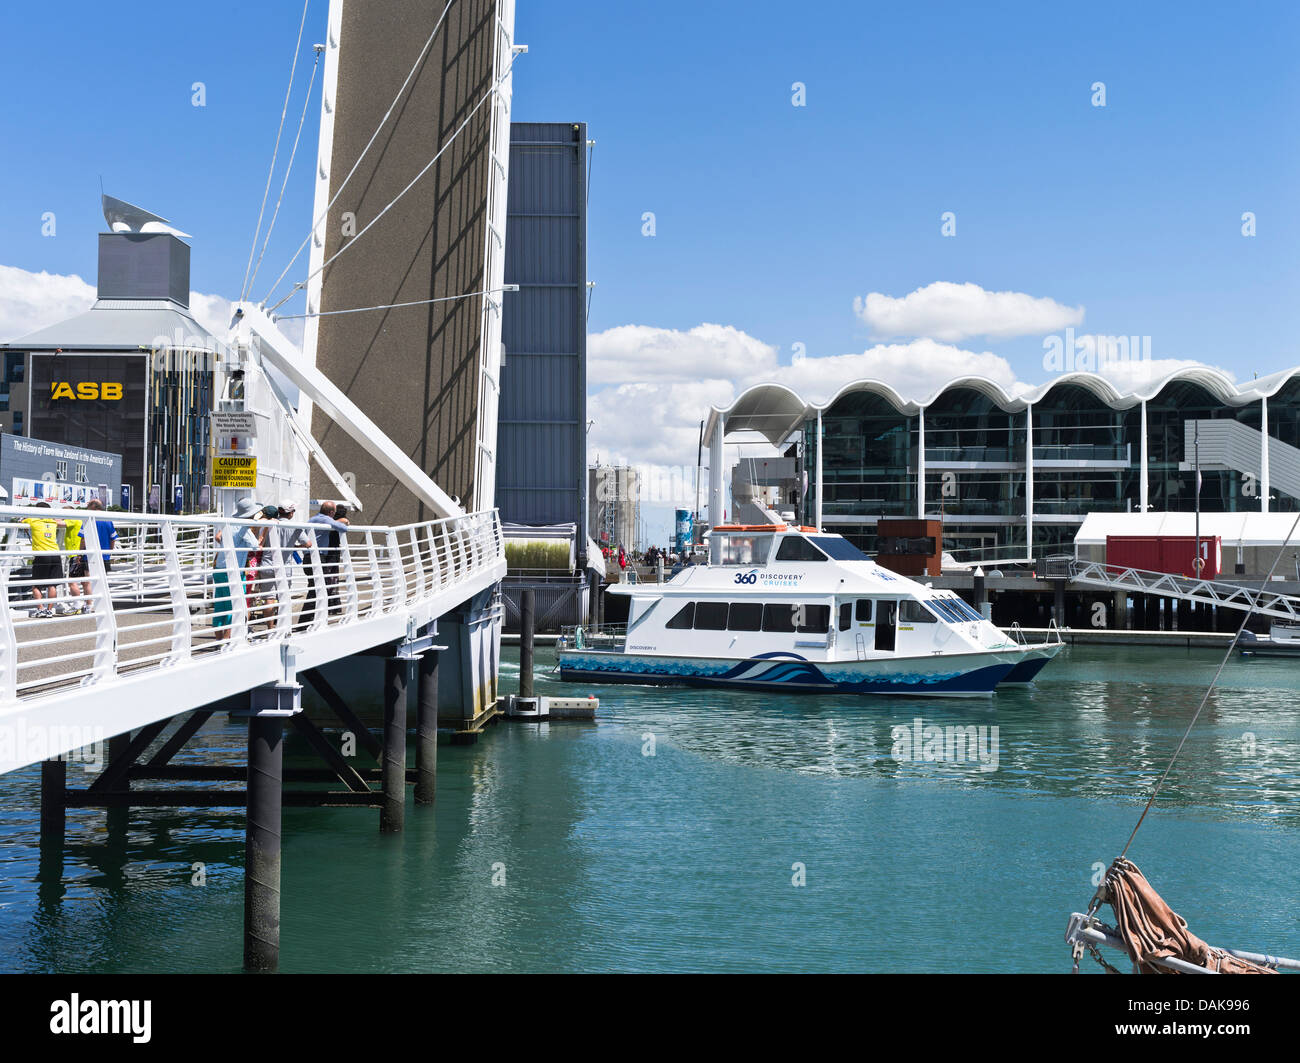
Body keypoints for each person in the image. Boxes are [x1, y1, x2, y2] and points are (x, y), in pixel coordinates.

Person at [301, 500, 349, 626]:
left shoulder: (312, 519)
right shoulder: (326, 520)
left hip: (307, 557)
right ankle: (306, 620)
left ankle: (308, 619)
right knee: (320, 588)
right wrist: (340, 521)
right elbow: (344, 528)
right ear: (331, 512)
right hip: (317, 557)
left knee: (315, 588)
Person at [68, 499, 118, 615]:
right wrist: (108, 552)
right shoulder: (108, 520)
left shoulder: (89, 519)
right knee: (102, 582)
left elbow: (83, 539)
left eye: (88, 506)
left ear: (93, 507)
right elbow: (113, 538)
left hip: (89, 556)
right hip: (104, 556)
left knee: (88, 581)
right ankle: (103, 605)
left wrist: (80, 554)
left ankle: (89, 606)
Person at [21, 502, 67, 618]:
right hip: (55, 554)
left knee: (36, 585)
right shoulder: (52, 521)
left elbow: (21, 522)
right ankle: (49, 610)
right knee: (52, 585)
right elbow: (62, 523)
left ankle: (40, 609)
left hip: (42, 555)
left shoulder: (33, 520)